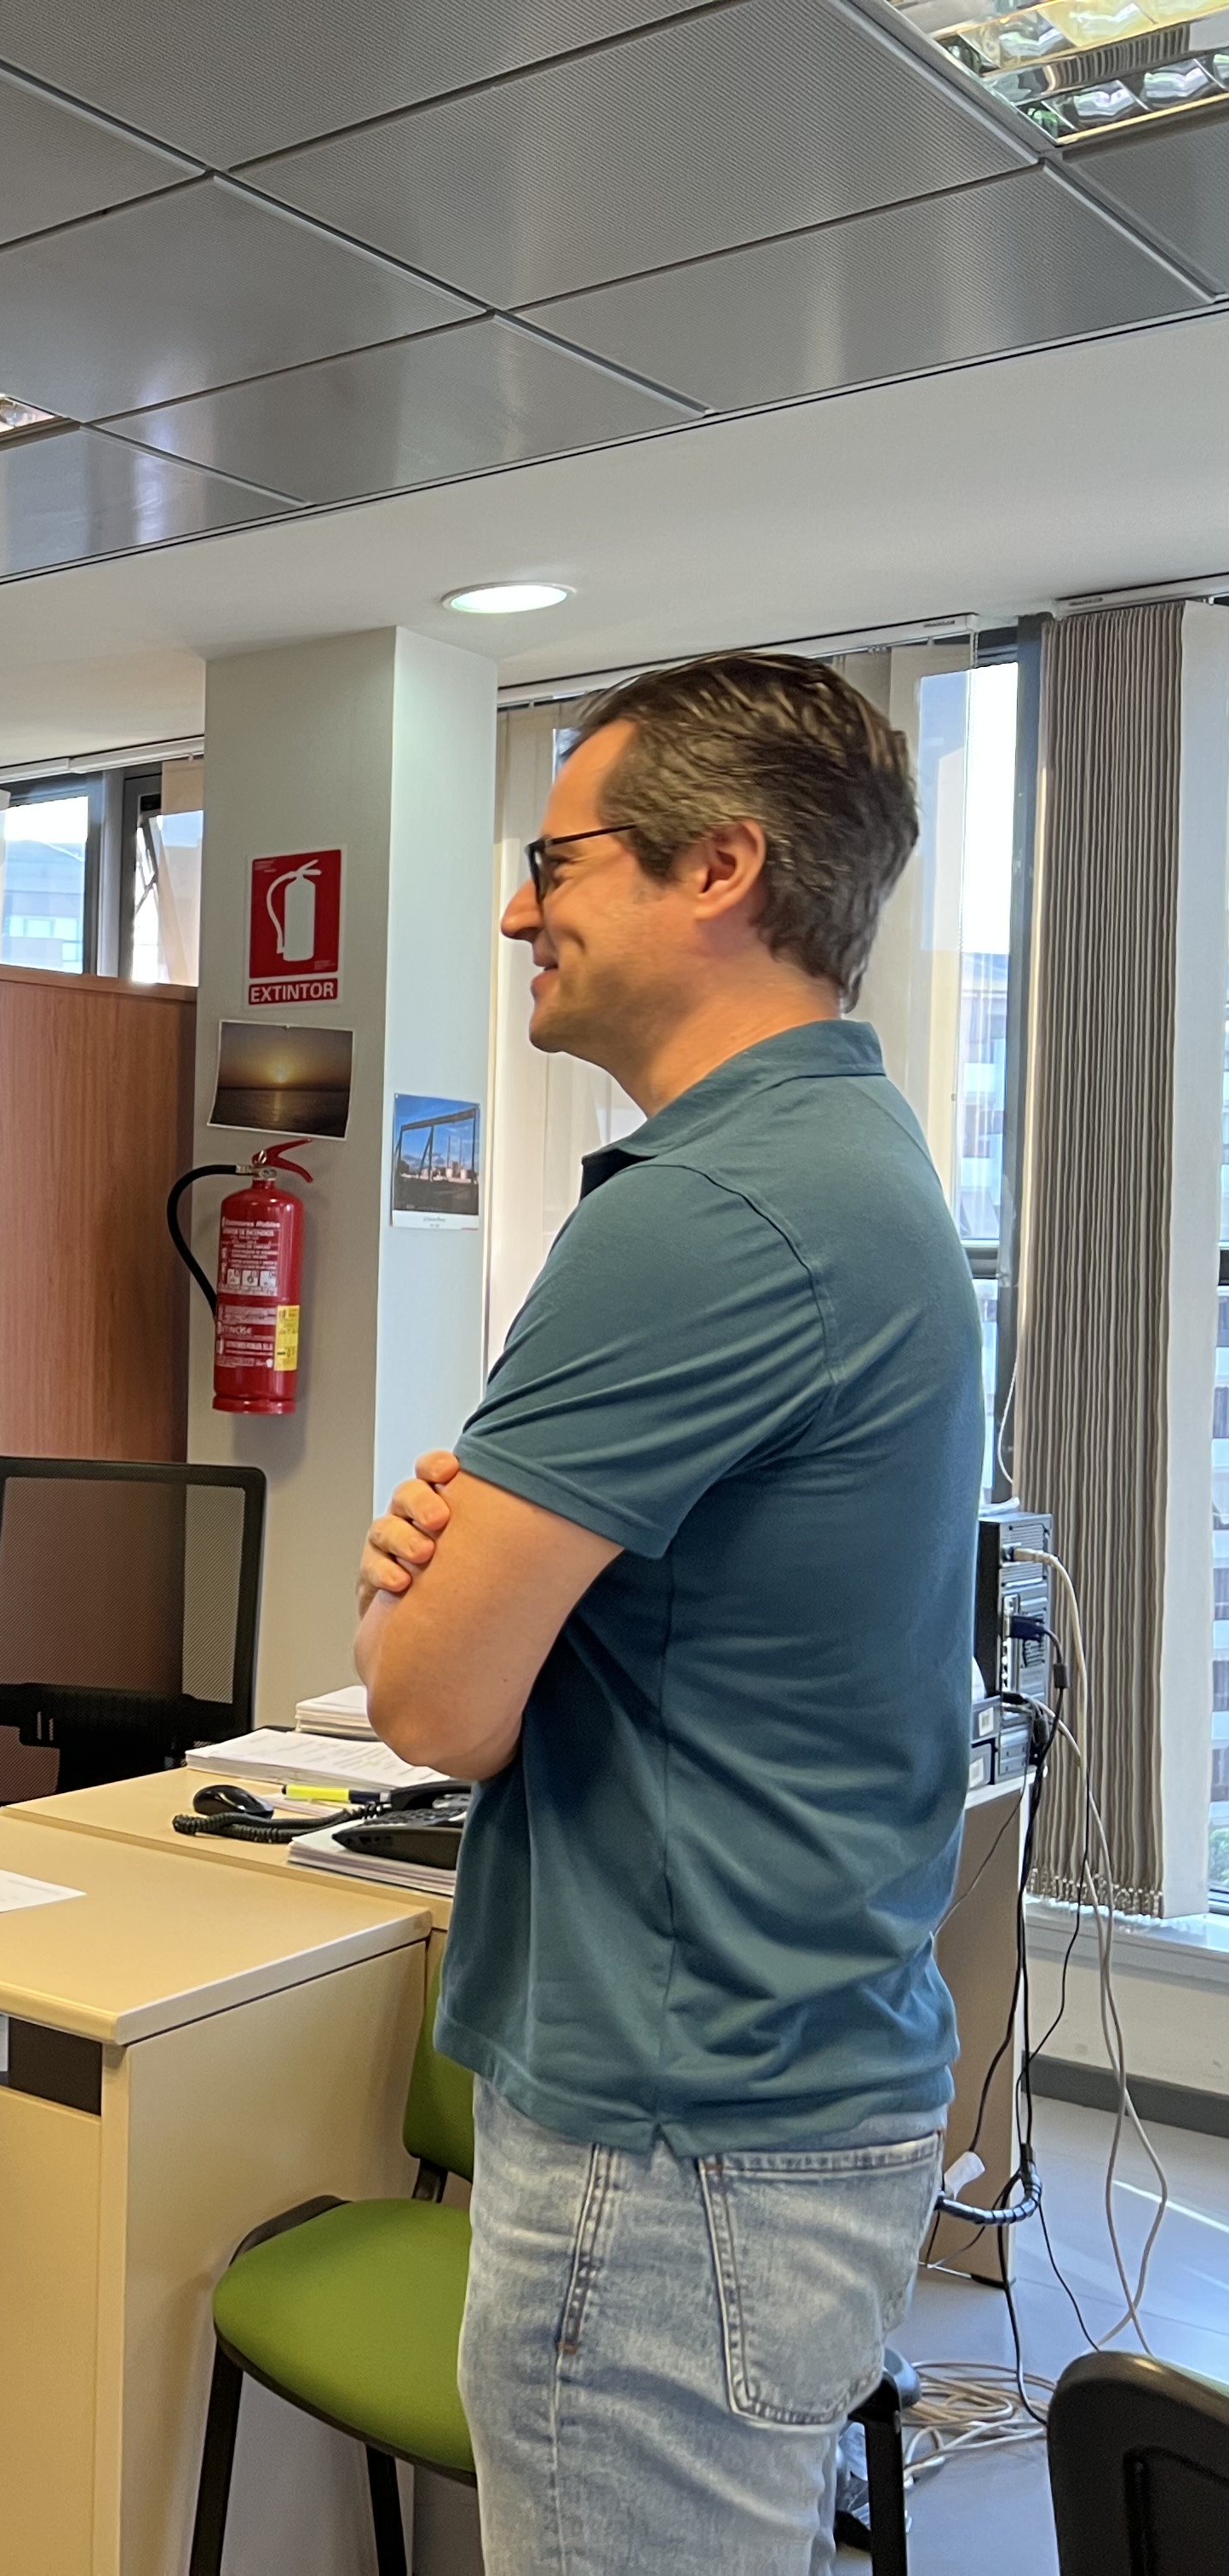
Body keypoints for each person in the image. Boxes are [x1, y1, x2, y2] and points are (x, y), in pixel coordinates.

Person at [354, 652, 973, 2574]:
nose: (523, 909)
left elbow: (435, 1706)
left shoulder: (706, 1215)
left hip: (674, 2139)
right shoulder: (850, 1168)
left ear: (721, 866)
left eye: (559, 859)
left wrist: (421, 1597)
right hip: (774, 2098)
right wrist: (447, 1580)